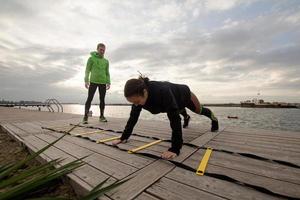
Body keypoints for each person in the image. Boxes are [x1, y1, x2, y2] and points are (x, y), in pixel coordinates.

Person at [112, 76, 218, 159]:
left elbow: (175, 119)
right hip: (174, 102)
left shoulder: (162, 91)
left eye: (137, 102)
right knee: (176, 109)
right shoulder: (138, 98)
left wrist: (175, 149)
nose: (135, 105)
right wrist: (123, 137)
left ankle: (214, 119)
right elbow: (133, 118)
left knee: (198, 111)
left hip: (184, 95)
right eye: (132, 103)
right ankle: (186, 117)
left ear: (144, 92)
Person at [83, 43, 110, 124]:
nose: (102, 51)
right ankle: (85, 117)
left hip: (103, 82)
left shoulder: (106, 61)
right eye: (101, 50)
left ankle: (101, 116)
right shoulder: (91, 59)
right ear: (97, 49)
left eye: (103, 50)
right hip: (93, 81)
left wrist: (108, 82)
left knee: (102, 100)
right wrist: (86, 80)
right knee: (89, 99)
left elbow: (107, 72)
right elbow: (87, 70)